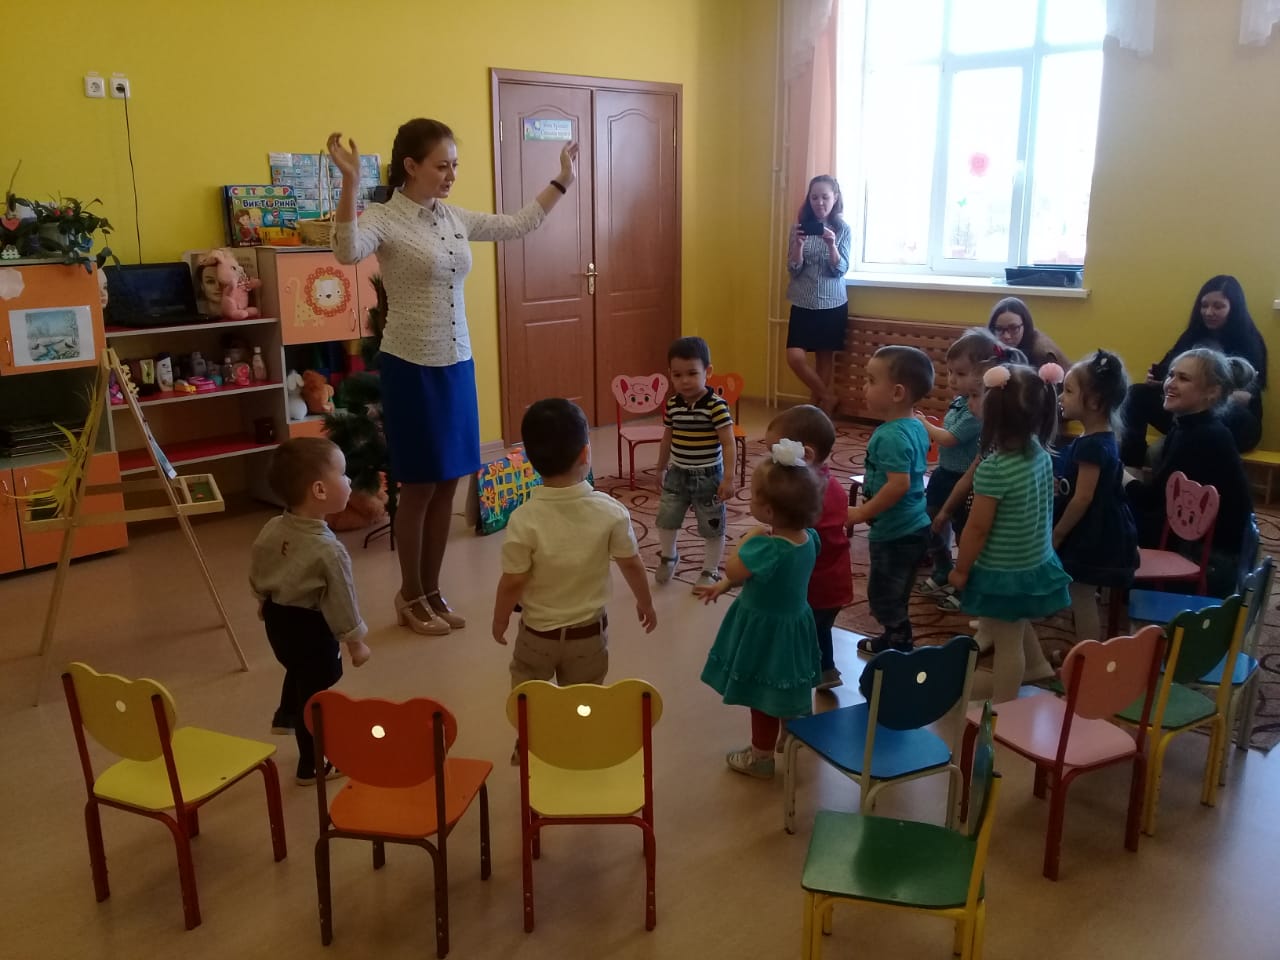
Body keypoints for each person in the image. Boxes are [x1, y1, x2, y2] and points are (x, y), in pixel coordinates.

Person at [329, 120, 579, 637]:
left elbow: (518, 224)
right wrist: (350, 184)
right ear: (411, 166)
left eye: (455, 166)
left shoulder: (453, 218)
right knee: (420, 485)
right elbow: (346, 251)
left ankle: (432, 589)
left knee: (449, 482)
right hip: (410, 365)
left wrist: (561, 181)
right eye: (441, 166)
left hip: (457, 363)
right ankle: (409, 594)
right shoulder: (385, 218)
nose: (450, 175)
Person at [492, 399, 656, 742]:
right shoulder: (611, 512)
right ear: (585, 453)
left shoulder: (523, 518)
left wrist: (500, 618)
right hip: (588, 635)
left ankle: (531, 745)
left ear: (530, 459)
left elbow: (513, 581)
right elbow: (631, 563)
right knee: (585, 700)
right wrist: (645, 602)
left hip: (537, 635)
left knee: (528, 697)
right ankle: (579, 747)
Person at [696, 439, 824, 779]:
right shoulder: (809, 538)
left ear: (768, 512)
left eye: (753, 497)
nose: (748, 500)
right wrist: (724, 587)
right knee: (787, 687)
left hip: (764, 633)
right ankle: (792, 736)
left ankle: (761, 758)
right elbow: (758, 578)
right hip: (794, 627)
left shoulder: (766, 548)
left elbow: (736, 568)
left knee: (762, 697)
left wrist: (748, 538)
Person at [249, 438, 372, 785]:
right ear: (319, 490)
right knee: (317, 697)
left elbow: (261, 565)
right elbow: (342, 601)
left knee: (298, 670)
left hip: (278, 621)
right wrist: (356, 643)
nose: (349, 481)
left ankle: (287, 714)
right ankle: (314, 764)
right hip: (310, 629)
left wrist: (262, 599)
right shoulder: (329, 551)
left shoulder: (273, 528)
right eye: (343, 474)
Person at [949, 364, 1071, 704]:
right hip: (1033, 559)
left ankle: (1004, 709)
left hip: (1005, 570)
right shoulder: (1040, 453)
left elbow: (977, 527)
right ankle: (1037, 665)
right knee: (1013, 621)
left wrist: (961, 569)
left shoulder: (995, 469)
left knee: (1007, 642)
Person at [1125, 348, 1255, 596]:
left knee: (1116, 521)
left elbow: (1152, 501)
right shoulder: (1189, 427)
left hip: (1214, 562)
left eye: (1183, 378)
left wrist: (1118, 471)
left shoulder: (1202, 436)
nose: (1170, 383)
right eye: (1171, 375)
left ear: (1212, 392)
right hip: (1206, 544)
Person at [1120, 275, 1267, 466]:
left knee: (1194, 423)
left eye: (1218, 306)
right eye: (1204, 305)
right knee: (1136, 394)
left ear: (1234, 308)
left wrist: (1201, 392)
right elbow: (1169, 369)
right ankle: (1131, 464)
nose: (1209, 312)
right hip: (1187, 410)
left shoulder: (1249, 341)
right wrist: (1160, 381)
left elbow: (1246, 397)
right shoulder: (1192, 336)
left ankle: (1176, 446)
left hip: (1234, 420)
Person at [846, 345, 934, 654]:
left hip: (896, 532)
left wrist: (861, 513)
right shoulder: (915, 425)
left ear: (897, 392)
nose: (864, 387)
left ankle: (899, 645)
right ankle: (894, 637)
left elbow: (898, 485)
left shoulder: (890, 436)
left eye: (871, 380)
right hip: (914, 525)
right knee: (897, 591)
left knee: (883, 594)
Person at [1053, 351, 1140, 643]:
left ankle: (1088, 657)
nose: (1061, 397)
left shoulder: (1092, 446)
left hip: (1093, 533)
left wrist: (1057, 534)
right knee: (1080, 593)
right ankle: (1084, 654)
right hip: (1094, 527)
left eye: (1068, 391)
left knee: (1082, 595)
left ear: (1094, 401)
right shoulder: (1095, 438)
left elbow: (1083, 498)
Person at [764, 404, 850, 690]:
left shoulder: (807, 496)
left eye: (775, 453)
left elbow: (793, 543)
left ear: (806, 455)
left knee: (803, 633)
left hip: (815, 585)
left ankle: (797, 677)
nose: (771, 460)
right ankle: (827, 671)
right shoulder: (830, 483)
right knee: (821, 628)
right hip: (835, 582)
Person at [915, 329, 995, 607]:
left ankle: (965, 581)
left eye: (960, 373)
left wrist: (924, 424)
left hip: (965, 480)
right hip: (944, 473)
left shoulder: (977, 411)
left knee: (964, 533)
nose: (951, 379)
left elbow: (950, 438)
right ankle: (943, 567)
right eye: (950, 372)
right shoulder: (961, 402)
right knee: (931, 520)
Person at [654, 336, 737, 590]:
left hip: (708, 477)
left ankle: (710, 570)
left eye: (692, 373)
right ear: (670, 374)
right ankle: (669, 556)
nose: (685, 381)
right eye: (677, 375)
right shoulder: (673, 405)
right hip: (677, 474)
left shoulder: (716, 407)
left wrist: (728, 478)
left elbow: (728, 443)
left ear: (707, 371)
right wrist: (660, 467)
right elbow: (667, 438)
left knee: (712, 524)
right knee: (666, 518)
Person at [785, 175, 853, 414]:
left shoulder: (843, 229)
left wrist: (832, 245)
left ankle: (816, 412)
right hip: (803, 301)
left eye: (825, 197)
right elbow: (793, 269)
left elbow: (840, 270)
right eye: (814, 197)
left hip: (832, 303)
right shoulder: (799, 228)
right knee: (795, 357)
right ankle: (828, 397)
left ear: (835, 198)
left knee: (825, 359)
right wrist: (798, 246)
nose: (819, 202)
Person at [988, 296, 1070, 369]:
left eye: (1014, 328)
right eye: (999, 329)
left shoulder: (1042, 354)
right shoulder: (991, 346)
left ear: (1025, 325)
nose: (1007, 336)